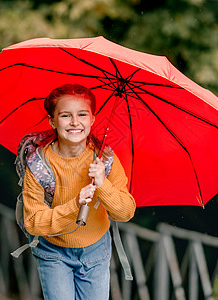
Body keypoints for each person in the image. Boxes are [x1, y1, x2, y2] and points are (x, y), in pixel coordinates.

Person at [22, 83, 136, 300]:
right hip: (53, 250)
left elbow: (126, 212)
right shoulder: (39, 164)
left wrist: (103, 185)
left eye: (82, 114)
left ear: (92, 119)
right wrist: (74, 205)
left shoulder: (106, 160)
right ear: (52, 120)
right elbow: (33, 222)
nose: (75, 122)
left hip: (96, 250)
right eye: (65, 115)